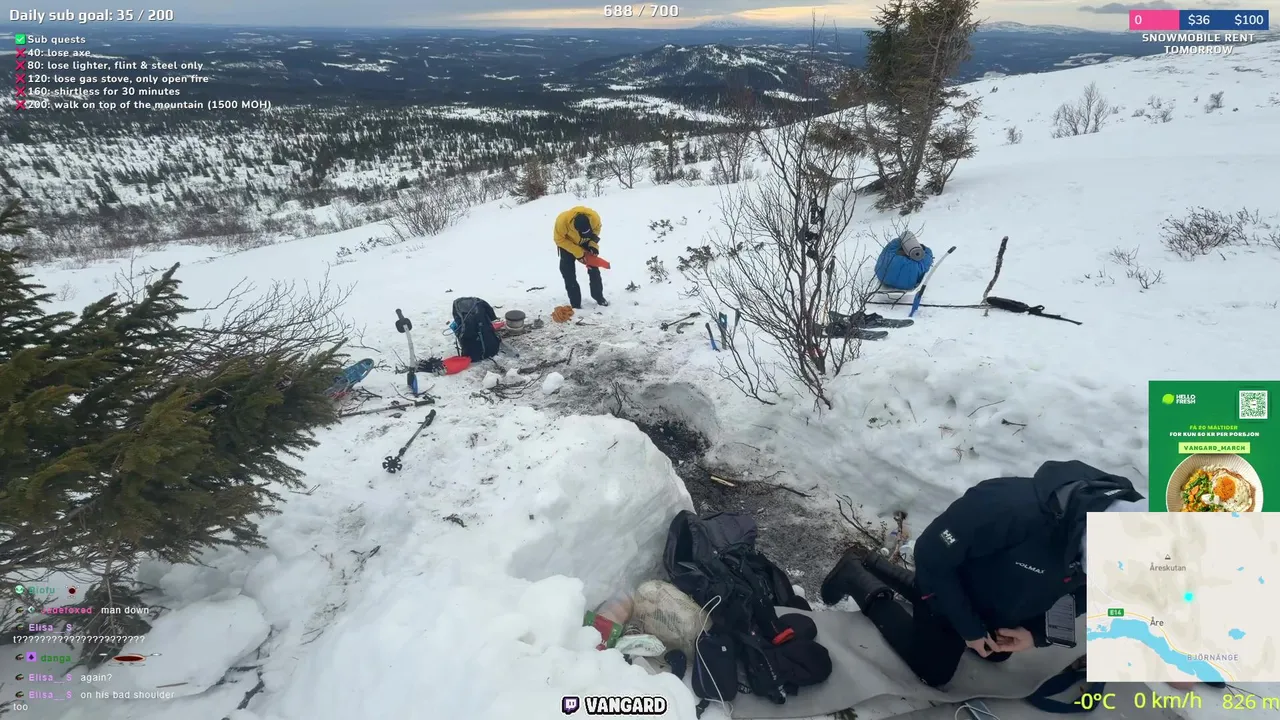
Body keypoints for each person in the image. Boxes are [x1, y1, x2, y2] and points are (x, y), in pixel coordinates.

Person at [820, 460, 1146, 688]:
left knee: (996, 656)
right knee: (933, 672)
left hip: (1004, 600)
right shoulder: (1006, 508)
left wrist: (1035, 633)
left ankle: (876, 565)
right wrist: (969, 628)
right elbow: (931, 553)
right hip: (953, 590)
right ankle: (859, 578)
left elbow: (1085, 593)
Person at [553, 206, 608, 309]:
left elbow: (597, 230)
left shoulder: (594, 218)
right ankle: (575, 303)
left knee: (594, 268)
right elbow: (559, 240)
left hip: (586, 241)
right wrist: (579, 253)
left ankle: (598, 297)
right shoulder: (562, 222)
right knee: (568, 273)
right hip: (567, 244)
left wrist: (593, 245)